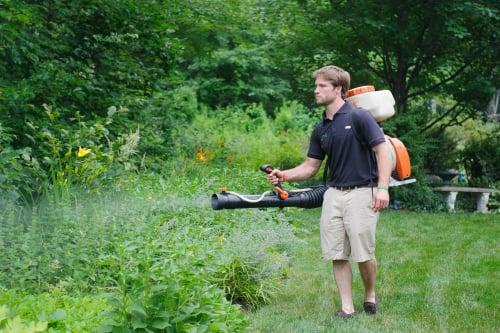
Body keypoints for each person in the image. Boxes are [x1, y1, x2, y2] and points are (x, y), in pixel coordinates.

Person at [267, 65, 391, 318]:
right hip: (333, 194)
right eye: (316, 85)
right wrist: (284, 175)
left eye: (322, 86)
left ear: (338, 89)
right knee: (337, 252)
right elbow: (311, 166)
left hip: (362, 192)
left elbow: (382, 151)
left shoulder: (359, 117)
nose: (316, 90)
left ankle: (369, 294)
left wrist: (382, 188)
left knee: (363, 253)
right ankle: (346, 307)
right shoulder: (321, 127)